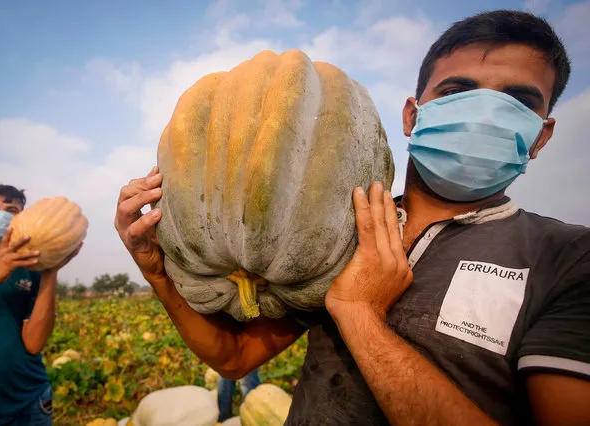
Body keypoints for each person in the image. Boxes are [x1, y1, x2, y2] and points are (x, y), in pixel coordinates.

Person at [115, 10, 590, 425]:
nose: (485, 114)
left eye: (518, 102)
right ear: (411, 115)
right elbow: (236, 358)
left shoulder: (569, 257)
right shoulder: (333, 231)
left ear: (541, 135)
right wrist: (156, 271)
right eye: (457, 91)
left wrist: (361, 314)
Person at [0, 185, 81, 425]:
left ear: (22, 218)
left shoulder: (32, 269)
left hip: (28, 403)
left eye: (11, 209)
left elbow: (34, 344)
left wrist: (50, 271)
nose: (2, 214)